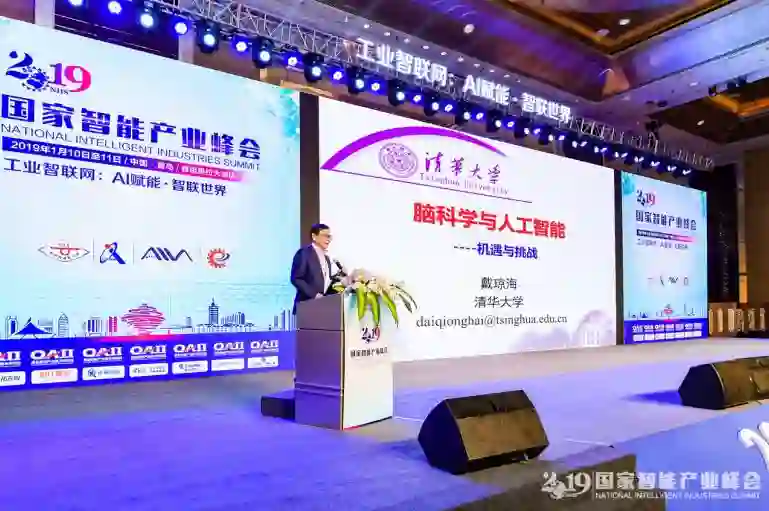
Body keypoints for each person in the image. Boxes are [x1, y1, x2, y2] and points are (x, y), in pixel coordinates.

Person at [290, 223, 336, 313]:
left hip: (321, 309)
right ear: (314, 236)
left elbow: (325, 285)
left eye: (329, 236)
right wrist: (314, 295)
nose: (328, 239)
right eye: (325, 236)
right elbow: (296, 278)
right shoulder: (304, 253)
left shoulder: (327, 258)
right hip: (305, 307)